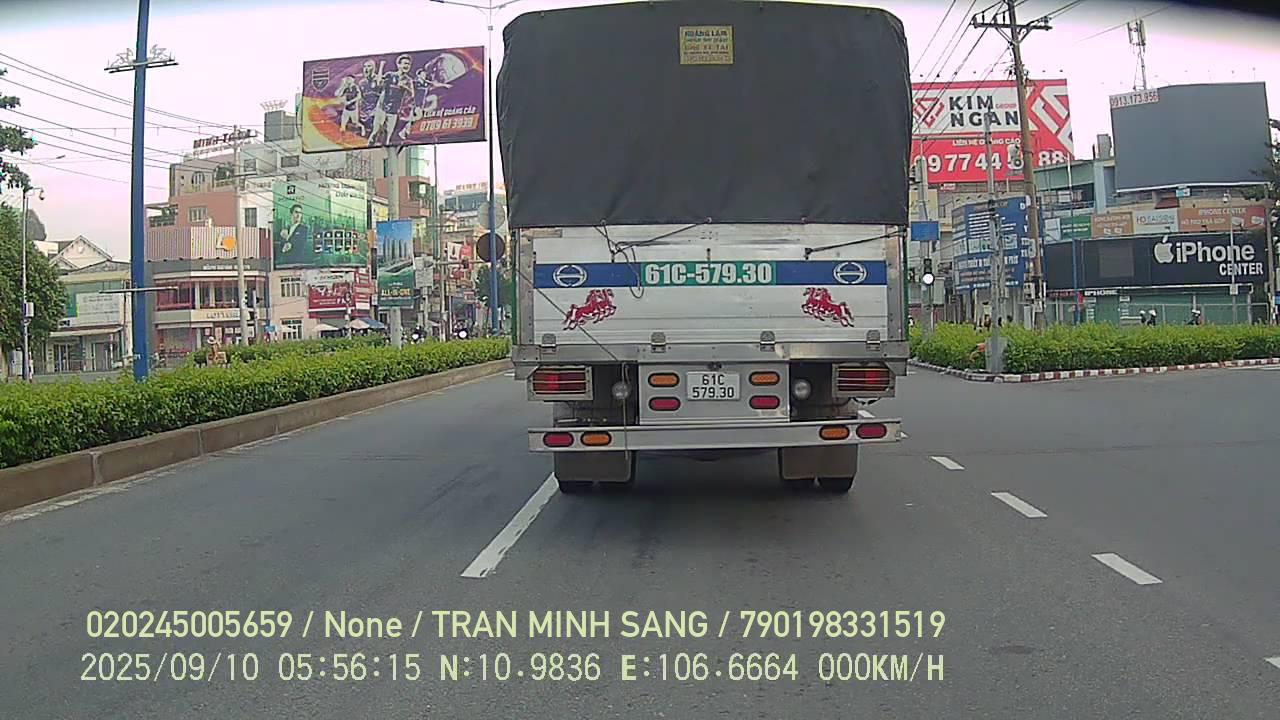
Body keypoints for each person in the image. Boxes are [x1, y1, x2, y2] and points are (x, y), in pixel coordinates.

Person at [369, 54, 415, 146]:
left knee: (387, 136)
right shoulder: (390, 75)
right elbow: (379, 83)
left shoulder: (408, 80)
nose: (407, 66)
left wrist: (405, 87)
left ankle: (384, 151)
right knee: (376, 132)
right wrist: (381, 67)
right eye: (405, 63)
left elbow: (412, 94)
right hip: (382, 107)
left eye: (408, 64)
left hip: (394, 111)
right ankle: (369, 146)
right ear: (399, 65)